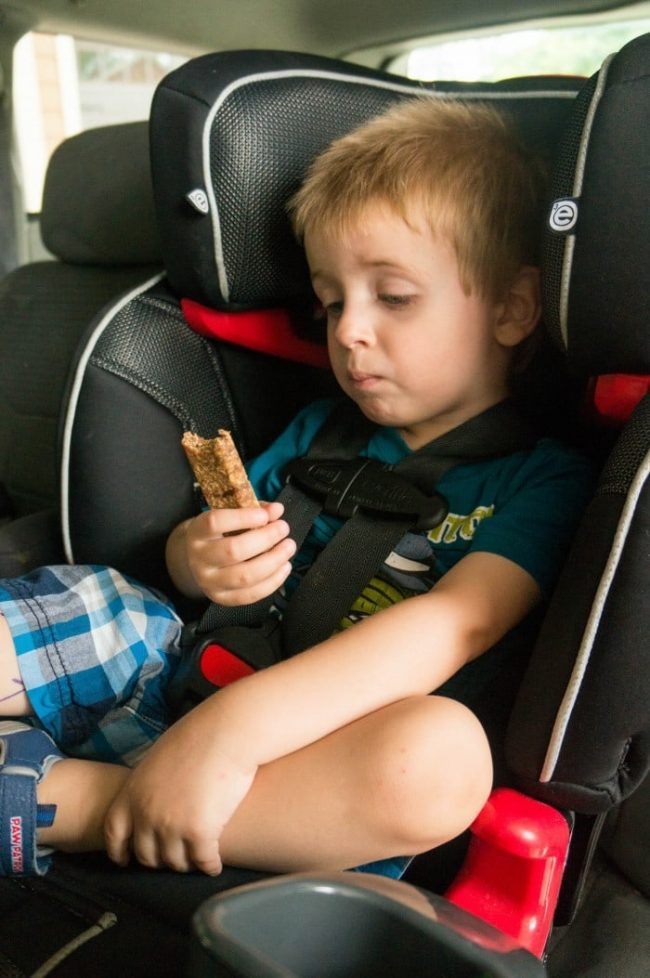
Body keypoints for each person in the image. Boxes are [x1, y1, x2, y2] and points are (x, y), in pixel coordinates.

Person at [0, 98, 592, 880]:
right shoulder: (319, 431)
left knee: (439, 760)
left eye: (394, 297)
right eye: (332, 300)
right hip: (183, 660)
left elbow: (457, 625)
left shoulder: (543, 476)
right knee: (104, 597)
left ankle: (81, 804)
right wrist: (196, 559)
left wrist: (234, 731)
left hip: (318, 754)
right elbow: (211, 541)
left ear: (512, 308)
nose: (347, 331)